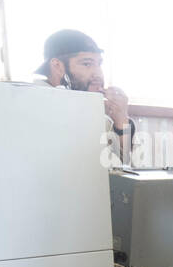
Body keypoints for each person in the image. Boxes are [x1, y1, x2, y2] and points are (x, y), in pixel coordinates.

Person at [35, 29, 134, 165]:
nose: (98, 74)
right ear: (57, 66)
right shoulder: (35, 106)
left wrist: (121, 120)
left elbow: (123, 170)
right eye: (87, 64)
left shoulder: (99, 118)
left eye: (99, 64)